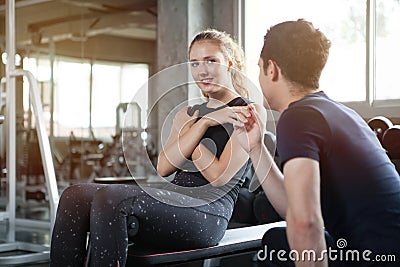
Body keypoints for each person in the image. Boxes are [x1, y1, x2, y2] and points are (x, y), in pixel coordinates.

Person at [50, 29, 259, 267]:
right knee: (73, 195)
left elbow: (219, 177)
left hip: (209, 213)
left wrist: (197, 128)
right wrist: (202, 123)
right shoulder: (188, 113)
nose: (202, 70)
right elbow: (164, 166)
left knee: (111, 198)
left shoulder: (247, 111)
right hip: (175, 200)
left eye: (211, 61)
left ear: (229, 64)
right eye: (195, 63)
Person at [235, 19, 400, 266]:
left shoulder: (297, 117)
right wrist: (256, 148)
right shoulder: (339, 112)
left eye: (259, 68)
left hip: (375, 258)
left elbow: (305, 224)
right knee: (278, 239)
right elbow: (295, 208)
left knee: (277, 243)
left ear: (272, 69)